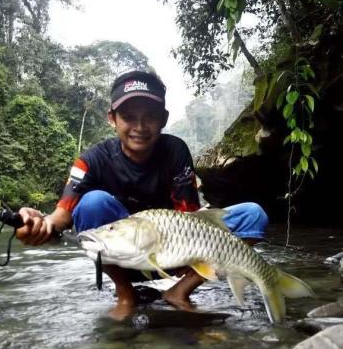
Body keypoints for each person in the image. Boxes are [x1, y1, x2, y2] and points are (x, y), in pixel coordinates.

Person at [16, 70, 268, 320]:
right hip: (120, 259)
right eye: (128, 117)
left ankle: (179, 291)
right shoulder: (91, 160)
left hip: (175, 253)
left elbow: (190, 219)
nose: (139, 127)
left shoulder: (175, 150)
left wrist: (195, 258)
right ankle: (126, 295)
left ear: (164, 118)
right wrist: (37, 223)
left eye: (150, 117)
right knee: (92, 203)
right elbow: (60, 218)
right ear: (112, 119)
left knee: (253, 215)